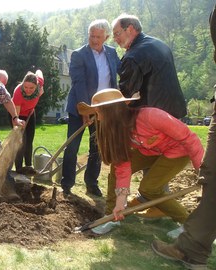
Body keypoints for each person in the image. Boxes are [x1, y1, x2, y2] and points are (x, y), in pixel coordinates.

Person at [77, 89, 204, 235]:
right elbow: (123, 166)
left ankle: (190, 224)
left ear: (111, 111)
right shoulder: (119, 131)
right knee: (116, 168)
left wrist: (202, 171)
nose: (98, 119)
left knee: (149, 189)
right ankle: (112, 217)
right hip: (150, 152)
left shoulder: (152, 116)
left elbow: (189, 138)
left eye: (98, 113)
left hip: (178, 151)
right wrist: (120, 203)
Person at [151, 5, 216, 269]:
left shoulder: (150, 118)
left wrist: (202, 164)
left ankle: (191, 247)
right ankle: (192, 249)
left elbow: (189, 139)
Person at [111, 13, 188, 217]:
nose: (115, 39)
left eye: (117, 33)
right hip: (174, 113)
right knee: (159, 165)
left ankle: (144, 203)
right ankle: (156, 203)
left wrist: (110, 113)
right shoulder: (159, 45)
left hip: (152, 118)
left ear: (130, 29)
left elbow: (125, 96)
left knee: (142, 159)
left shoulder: (133, 56)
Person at [61, 19, 120, 197]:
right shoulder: (79, 55)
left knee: (97, 147)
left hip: (103, 110)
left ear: (106, 37)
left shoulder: (112, 53)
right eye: (91, 36)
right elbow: (79, 83)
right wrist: (84, 109)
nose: (94, 40)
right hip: (80, 106)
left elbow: (121, 73)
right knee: (72, 146)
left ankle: (91, 184)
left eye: (98, 37)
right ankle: (67, 184)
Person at [12, 70, 44, 174]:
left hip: (30, 113)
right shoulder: (18, 92)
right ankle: (19, 169)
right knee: (21, 141)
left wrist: (41, 87)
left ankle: (28, 166)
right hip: (17, 114)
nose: (28, 90)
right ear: (22, 84)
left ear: (37, 86)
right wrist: (17, 129)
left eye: (31, 88)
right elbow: (16, 115)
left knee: (29, 140)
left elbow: (39, 71)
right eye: (25, 87)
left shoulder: (40, 83)